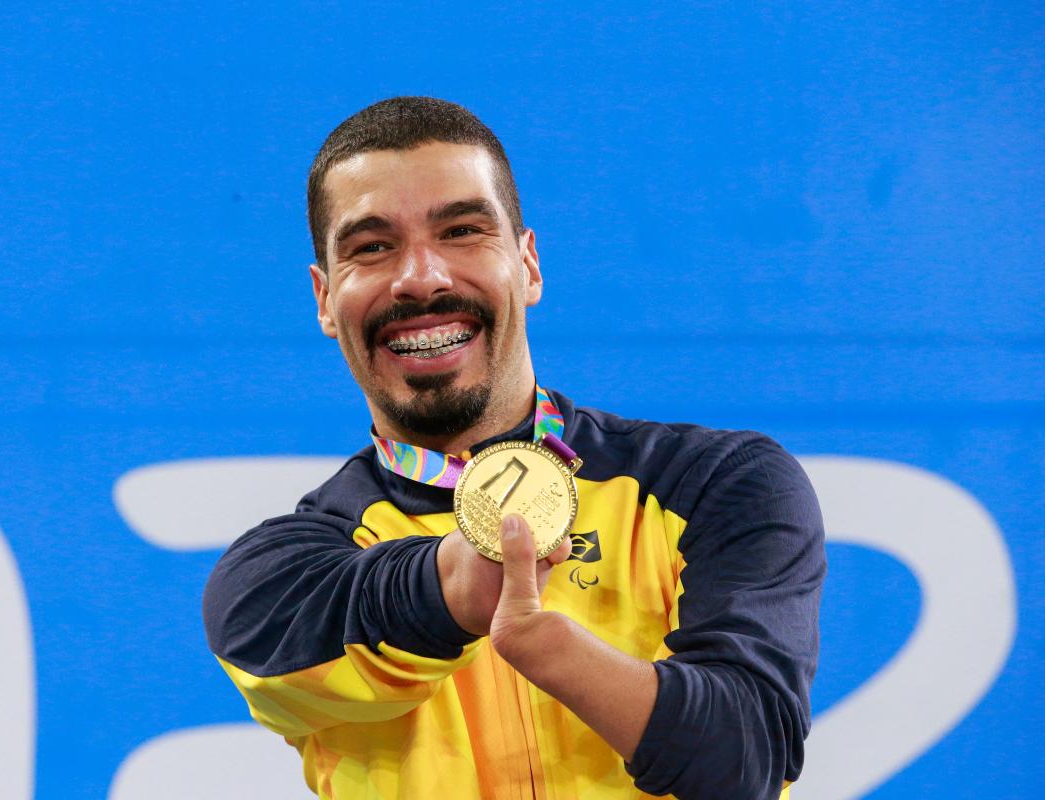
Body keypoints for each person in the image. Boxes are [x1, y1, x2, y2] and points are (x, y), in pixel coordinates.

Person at [203, 96, 826, 800]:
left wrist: (550, 647)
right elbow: (288, 659)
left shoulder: (715, 485)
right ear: (325, 298)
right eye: (372, 247)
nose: (422, 278)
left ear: (528, 266)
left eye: (463, 230)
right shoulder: (274, 581)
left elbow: (741, 760)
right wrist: (458, 585)